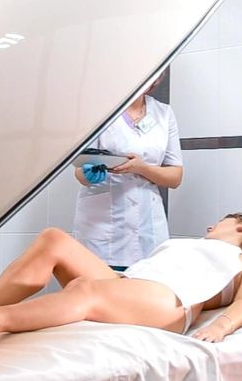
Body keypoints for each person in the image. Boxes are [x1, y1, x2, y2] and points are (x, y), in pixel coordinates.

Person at [0, 213, 242, 347]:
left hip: (169, 301)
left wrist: (220, 328)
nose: (209, 225)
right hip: (132, 285)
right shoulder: (192, 244)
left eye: (219, 221)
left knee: (85, 289)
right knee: (53, 239)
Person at [74, 86, 183, 270]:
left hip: (149, 225)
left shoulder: (164, 113)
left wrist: (143, 168)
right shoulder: (99, 109)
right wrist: (88, 174)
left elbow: (175, 176)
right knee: (98, 283)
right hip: (103, 226)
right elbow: (79, 171)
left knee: (146, 281)